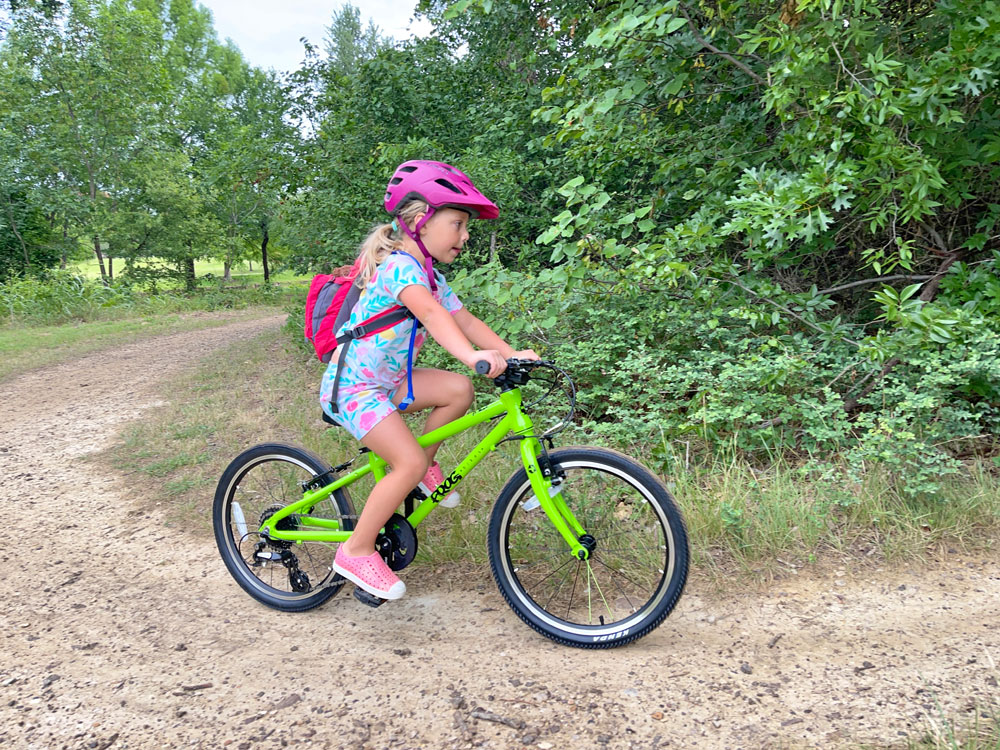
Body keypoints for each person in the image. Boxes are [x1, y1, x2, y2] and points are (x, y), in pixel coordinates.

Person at [320, 159, 539, 600]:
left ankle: (422, 470)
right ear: (420, 219)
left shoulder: (431, 276)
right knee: (409, 462)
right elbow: (432, 316)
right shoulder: (399, 266)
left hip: (391, 381)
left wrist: (511, 353)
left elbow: (464, 318)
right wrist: (472, 355)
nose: (465, 235)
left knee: (459, 389)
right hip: (355, 388)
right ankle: (356, 550)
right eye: (458, 223)